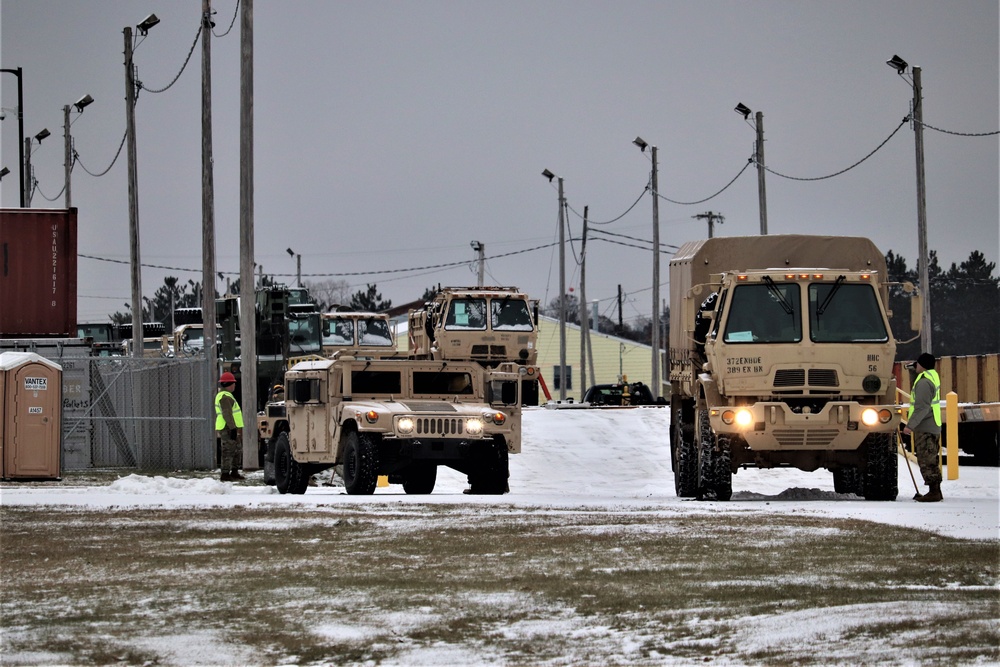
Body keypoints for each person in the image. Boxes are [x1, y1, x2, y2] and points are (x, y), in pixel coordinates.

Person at [902, 352, 942, 502]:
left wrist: (909, 426)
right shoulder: (931, 376)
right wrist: (913, 368)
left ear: (922, 365)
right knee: (930, 458)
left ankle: (934, 492)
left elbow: (921, 407)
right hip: (932, 424)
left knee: (926, 459)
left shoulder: (924, 383)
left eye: (917, 363)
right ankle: (936, 490)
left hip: (925, 426)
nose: (915, 365)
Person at [215, 371, 244, 482]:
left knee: (236, 449)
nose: (235, 385)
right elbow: (227, 413)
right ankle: (225, 474)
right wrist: (232, 428)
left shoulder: (226, 396)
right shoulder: (224, 397)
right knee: (228, 450)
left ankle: (234, 472)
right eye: (233, 383)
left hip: (230, 427)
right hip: (227, 427)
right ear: (228, 384)